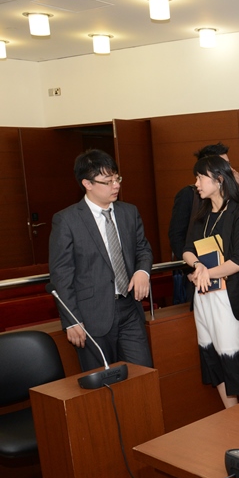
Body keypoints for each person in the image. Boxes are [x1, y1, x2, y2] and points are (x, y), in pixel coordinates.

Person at [49, 149, 154, 372]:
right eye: (107, 181)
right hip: (91, 315)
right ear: (87, 183)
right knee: (103, 384)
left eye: (117, 179)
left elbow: (143, 248)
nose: (115, 185)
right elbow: (61, 275)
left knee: (142, 374)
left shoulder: (129, 212)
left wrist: (142, 272)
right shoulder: (67, 220)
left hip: (129, 308)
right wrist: (71, 320)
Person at [181, 155, 239, 408]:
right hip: (205, 298)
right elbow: (186, 249)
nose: (196, 183)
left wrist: (207, 272)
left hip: (230, 298)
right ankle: (231, 419)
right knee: (214, 360)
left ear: (219, 180)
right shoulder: (202, 213)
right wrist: (197, 266)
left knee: (235, 362)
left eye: (200, 177)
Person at [168, 142, 238, 305]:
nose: (229, 169)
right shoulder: (188, 195)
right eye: (223, 164)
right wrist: (193, 267)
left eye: (228, 164)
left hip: (230, 278)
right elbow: (177, 236)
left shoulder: (234, 200)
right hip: (200, 274)